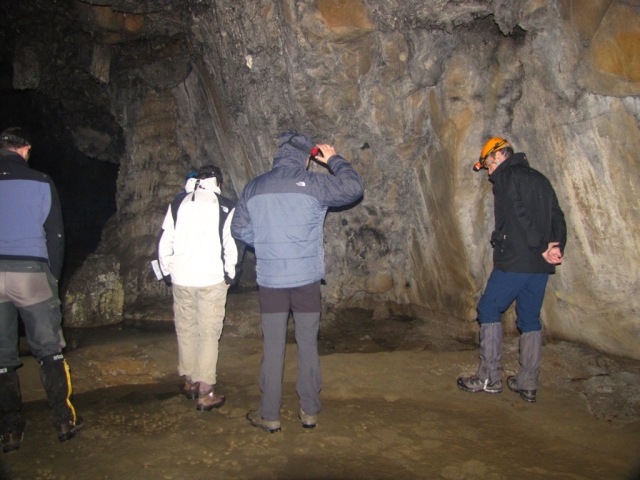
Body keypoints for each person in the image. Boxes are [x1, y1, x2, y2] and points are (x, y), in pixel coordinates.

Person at [231, 132, 364, 432]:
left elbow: (239, 229)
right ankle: (309, 411)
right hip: (306, 282)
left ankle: (270, 415)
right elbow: (354, 187)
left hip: (271, 282)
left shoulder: (255, 186)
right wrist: (333, 159)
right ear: (307, 157)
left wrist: (264, 244)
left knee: (274, 346)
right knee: (307, 344)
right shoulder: (315, 184)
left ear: (279, 155)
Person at [457, 137, 567, 403]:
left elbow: (518, 214)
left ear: (498, 156)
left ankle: (488, 378)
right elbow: (557, 216)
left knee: (488, 309)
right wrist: (556, 246)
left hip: (516, 259)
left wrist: (541, 246)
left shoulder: (507, 177)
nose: (488, 171)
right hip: (539, 266)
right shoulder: (540, 178)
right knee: (529, 318)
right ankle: (527, 383)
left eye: (487, 164)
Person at [0, 127, 83, 452]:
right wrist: (52, 277)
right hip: (31, 271)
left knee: (3, 358)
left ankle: (10, 430)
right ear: (25, 150)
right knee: (49, 348)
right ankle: (63, 421)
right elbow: (55, 235)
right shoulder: (41, 181)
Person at [157, 164, 239, 411]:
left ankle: (190, 381)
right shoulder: (225, 205)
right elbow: (230, 244)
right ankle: (206, 392)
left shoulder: (178, 203)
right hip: (210, 279)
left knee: (186, 329)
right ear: (218, 183)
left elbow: (164, 242)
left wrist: (168, 273)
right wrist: (230, 275)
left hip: (181, 278)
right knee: (208, 334)